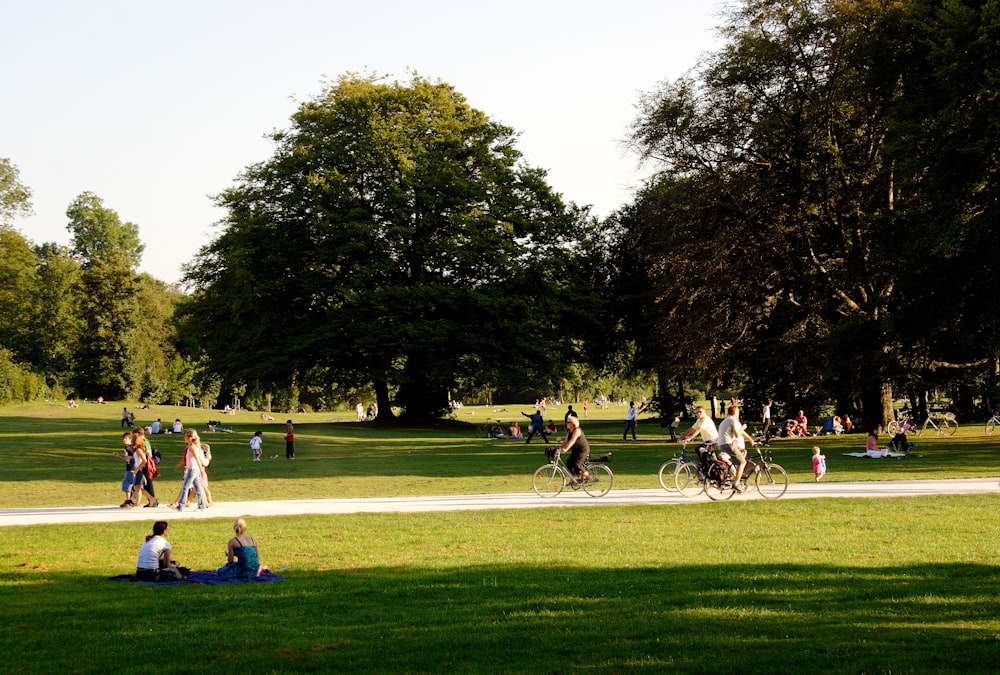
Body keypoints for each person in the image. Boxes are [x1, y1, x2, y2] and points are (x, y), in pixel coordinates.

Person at [717, 405, 756, 492]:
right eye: (738, 412)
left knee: (742, 450)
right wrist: (743, 427)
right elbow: (737, 434)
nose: (739, 413)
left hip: (722, 444)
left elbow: (741, 432)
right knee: (743, 462)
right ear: (735, 412)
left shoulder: (727, 420)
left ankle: (733, 471)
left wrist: (750, 440)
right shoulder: (733, 420)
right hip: (728, 444)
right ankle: (736, 483)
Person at [173, 429, 208, 511]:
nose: (184, 438)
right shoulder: (191, 447)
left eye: (185, 437)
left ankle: (180, 506)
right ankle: (202, 505)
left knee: (185, 487)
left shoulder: (192, 447)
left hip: (193, 470)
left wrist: (201, 470)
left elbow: (197, 459)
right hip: (192, 469)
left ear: (189, 438)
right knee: (198, 488)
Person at [559, 415, 590, 483]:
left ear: (573, 424)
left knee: (577, 465)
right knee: (568, 465)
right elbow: (565, 441)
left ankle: (588, 477)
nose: (566, 424)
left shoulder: (577, 431)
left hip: (582, 451)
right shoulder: (570, 431)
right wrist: (559, 449)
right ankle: (572, 481)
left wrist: (566, 449)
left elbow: (572, 441)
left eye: (568, 422)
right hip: (575, 451)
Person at [113, 432, 137, 507]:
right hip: (128, 467)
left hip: (133, 468)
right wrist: (119, 455)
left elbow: (137, 456)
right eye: (123, 438)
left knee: (131, 485)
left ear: (130, 439)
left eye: (126, 438)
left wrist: (132, 454)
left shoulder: (133, 447)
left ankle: (131, 501)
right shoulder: (125, 447)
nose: (124, 440)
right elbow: (126, 457)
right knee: (128, 485)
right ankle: (129, 500)